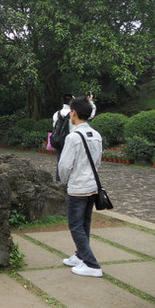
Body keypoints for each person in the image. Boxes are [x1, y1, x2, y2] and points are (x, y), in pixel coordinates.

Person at [58, 95, 104, 277]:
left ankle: (92, 264)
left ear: (74, 113)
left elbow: (64, 166)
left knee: (75, 225)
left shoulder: (73, 137)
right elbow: (98, 162)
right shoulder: (97, 135)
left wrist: (64, 181)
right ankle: (80, 256)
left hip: (78, 187)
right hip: (92, 186)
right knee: (85, 223)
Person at [53, 93, 96, 181]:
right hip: (74, 140)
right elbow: (90, 114)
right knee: (75, 164)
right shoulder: (75, 113)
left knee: (61, 163)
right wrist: (90, 103)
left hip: (59, 141)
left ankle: (59, 182)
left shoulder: (56, 114)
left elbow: (54, 127)